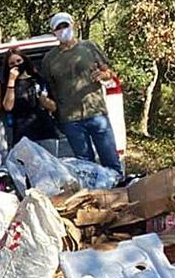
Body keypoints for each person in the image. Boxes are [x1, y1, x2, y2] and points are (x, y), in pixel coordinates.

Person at [40, 12, 123, 174]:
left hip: (96, 113)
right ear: (54, 32)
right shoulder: (49, 59)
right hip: (71, 120)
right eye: (59, 27)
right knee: (86, 167)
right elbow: (47, 88)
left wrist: (103, 75)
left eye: (66, 25)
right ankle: (96, 195)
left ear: (73, 25)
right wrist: (50, 105)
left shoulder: (89, 47)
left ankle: (120, 190)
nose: (63, 30)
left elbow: (109, 73)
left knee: (111, 160)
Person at [0, 47, 59, 149]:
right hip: (23, 136)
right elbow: (8, 106)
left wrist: (45, 101)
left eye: (19, 61)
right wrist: (11, 81)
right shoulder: (7, 86)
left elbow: (54, 107)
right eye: (12, 63)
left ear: (25, 61)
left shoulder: (39, 80)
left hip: (46, 133)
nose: (16, 65)